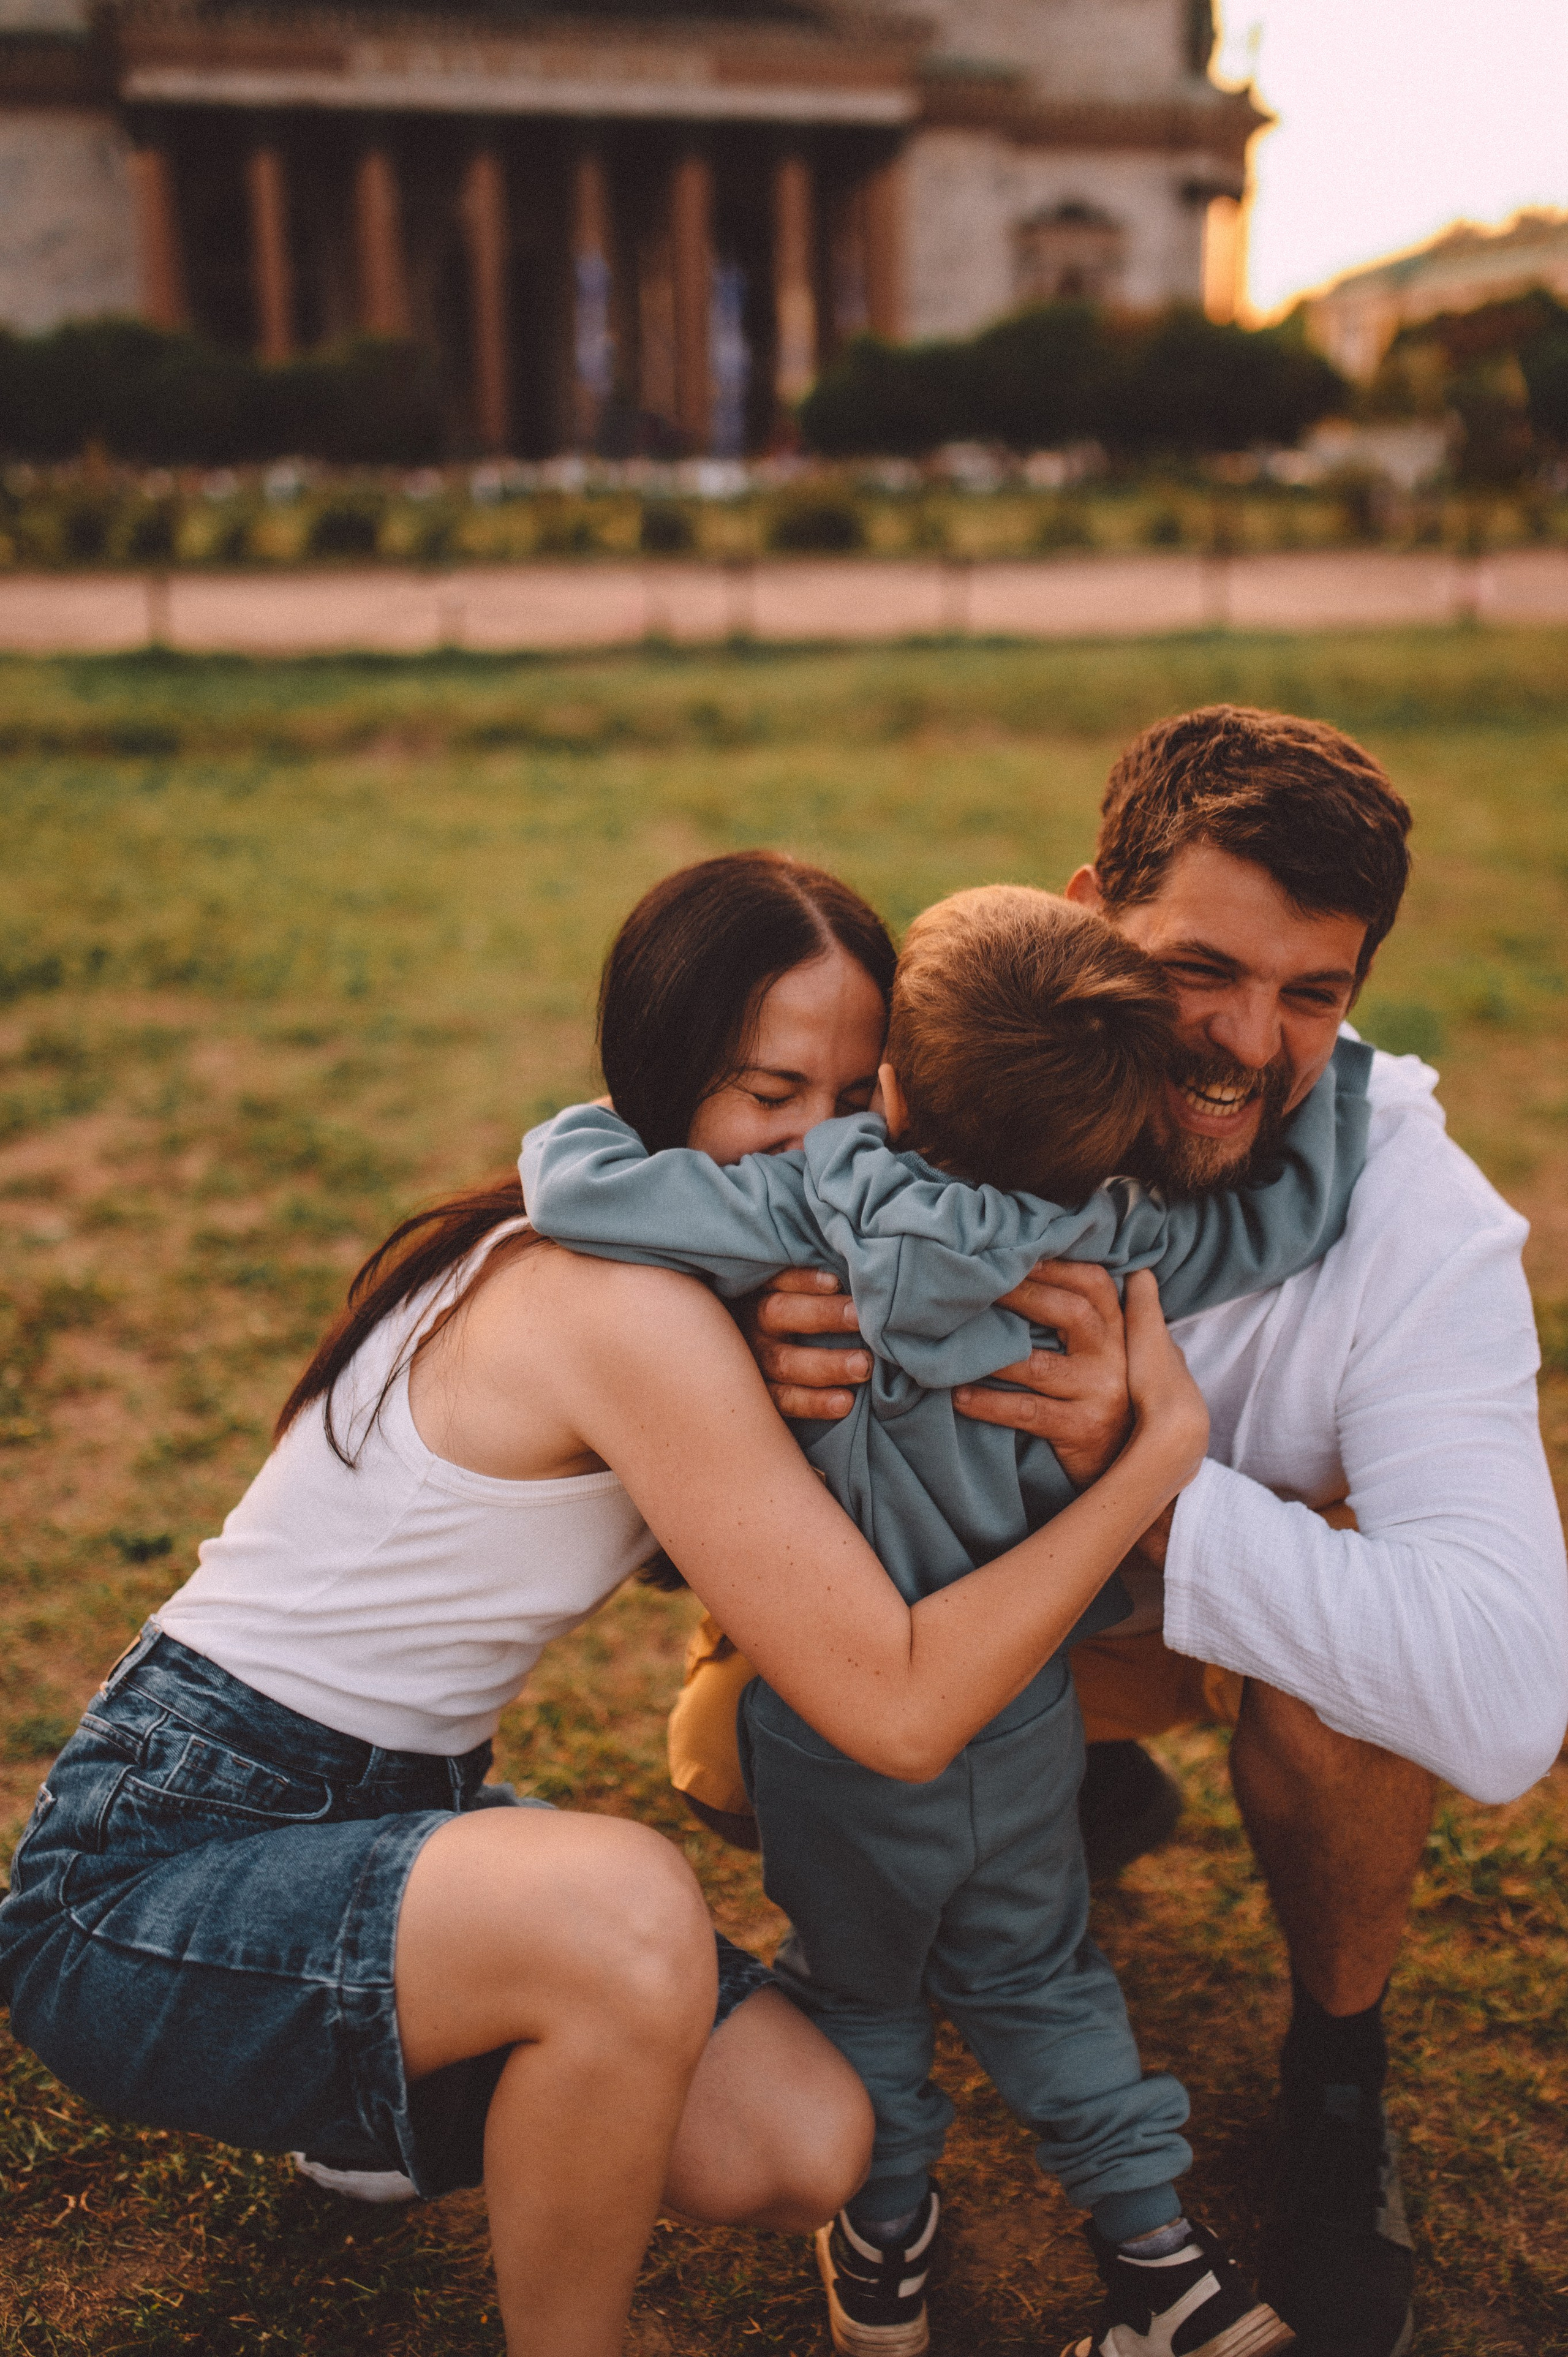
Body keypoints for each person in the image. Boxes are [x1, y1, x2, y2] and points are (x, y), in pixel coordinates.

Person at [0, 852, 1211, 2357]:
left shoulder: (676, 1271)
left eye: (856, 1102)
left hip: (397, 1816)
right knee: (627, 1909)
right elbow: (896, 1710)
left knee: (802, 2138)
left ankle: (377, 2084)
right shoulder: (613, 1301)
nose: (818, 1151)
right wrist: (1150, 1457)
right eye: (768, 1094)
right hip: (150, 1878)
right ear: (656, 1072)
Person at [725, 711, 1568, 2357]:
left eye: (1313, 993)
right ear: (1089, 907)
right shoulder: (943, 1073)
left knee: (1371, 1659)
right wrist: (748, 1358)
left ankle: (1336, 2084)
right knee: (729, 1739)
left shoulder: (1408, 1217)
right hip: (986, 1627)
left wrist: (1151, 1469)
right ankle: (1076, 1799)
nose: (1250, 1042)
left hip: (1210, 1627)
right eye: (1204, 968)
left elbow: (1502, 1700)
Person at [524, 880, 1374, 2357]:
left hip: (830, 1730)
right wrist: (1342, 1072)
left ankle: (890, 2251)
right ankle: (1160, 2257)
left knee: (857, 1990)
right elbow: (1288, 1216)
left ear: (897, 1087)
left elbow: (575, 1186)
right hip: (1022, 1718)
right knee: (1043, 1975)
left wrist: (596, 1115)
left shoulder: (807, 1207)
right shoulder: (1119, 1240)